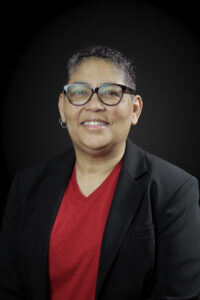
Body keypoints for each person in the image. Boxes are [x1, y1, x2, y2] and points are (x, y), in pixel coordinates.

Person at [0, 45, 200, 300]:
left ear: (135, 109)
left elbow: (178, 295)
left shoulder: (175, 189)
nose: (94, 105)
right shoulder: (27, 185)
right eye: (80, 92)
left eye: (111, 93)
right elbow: (9, 288)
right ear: (63, 107)